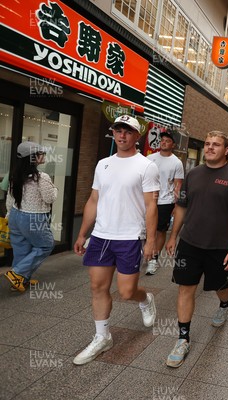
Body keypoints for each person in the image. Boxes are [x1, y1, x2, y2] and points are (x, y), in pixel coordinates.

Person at [72, 115, 160, 365]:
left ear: (136, 136)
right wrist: (82, 233)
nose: (122, 136)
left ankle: (145, 299)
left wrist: (151, 240)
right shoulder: (103, 164)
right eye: (118, 131)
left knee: (126, 291)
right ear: (114, 133)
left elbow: (151, 205)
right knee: (98, 288)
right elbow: (94, 200)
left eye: (128, 132)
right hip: (101, 236)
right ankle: (102, 337)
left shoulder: (146, 166)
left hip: (130, 237)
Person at [165, 131, 228, 368]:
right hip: (190, 243)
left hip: (221, 247)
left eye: (216, 145)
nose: (210, 147)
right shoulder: (193, 174)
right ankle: (183, 338)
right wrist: (173, 236)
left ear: (226, 151)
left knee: (221, 287)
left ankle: (224, 305)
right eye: (207, 144)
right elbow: (181, 207)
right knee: (185, 289)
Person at [3, 142, 57, 292]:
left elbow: (10, 197)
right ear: (33, 158)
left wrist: (9, 215)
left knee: (22, 249)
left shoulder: (15, 175)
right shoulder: (41, 177)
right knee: (46, 244)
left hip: (15, 215)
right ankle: (17, 273)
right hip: (34, 218)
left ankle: (19, 282)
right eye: (41, 153)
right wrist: (55, 189)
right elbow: (50, 198)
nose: (43, 155)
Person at [145, 130, 184, 275]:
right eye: (162, 140)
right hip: (148, 199)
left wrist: (176, 205)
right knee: (145, 228)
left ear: (173, 145)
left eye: (168, 141)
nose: (164, 142)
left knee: (160, 230)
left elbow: (178, 185)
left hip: (165, 201)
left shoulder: (176, 162)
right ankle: (144, 253)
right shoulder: (149, 158)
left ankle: (153, 260)